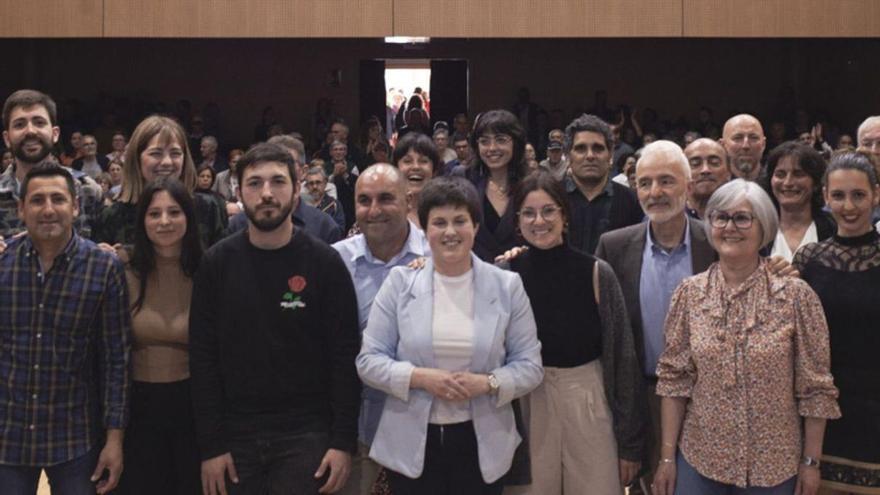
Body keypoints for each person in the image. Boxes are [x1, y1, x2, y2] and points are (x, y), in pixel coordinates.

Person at [190, 142, 361, 495]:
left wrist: (342, 441)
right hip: (234, 434)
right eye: (254, 183)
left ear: (297, 189)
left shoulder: (325, 263)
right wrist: (211, 446)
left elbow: (345, 357)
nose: (266, 193)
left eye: (278, 182)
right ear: (238, 191)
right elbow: (203, 359)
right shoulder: (217, 264)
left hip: (307, 433)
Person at [357, 176, 543, 494]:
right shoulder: (400, 283)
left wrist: (488, 383)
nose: (450, 232)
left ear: (475, 226)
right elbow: (368, 361)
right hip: (411, 441)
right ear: (425, 230)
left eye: (460, 221)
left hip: (484, 441)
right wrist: (419, 377)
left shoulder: (507, 286)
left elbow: (530, 366)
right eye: (439, 222)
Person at [652, 179, 840, 495]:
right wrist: (668, 458)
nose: (730, 227)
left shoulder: (796, 297)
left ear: (763, 226)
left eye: (742, 218)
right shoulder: (688, 295)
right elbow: (674, 381)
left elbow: (815, 388)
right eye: (720, 217)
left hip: (773, 466)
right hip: (701, 459)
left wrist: (811, 462)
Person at [503, 172, 644, 495]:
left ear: (564, 215)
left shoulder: (596, 272)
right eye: (528, 212)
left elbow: (622, 357)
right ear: (517, 221)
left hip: (588, 395)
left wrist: (629, 444)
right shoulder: (505, 275)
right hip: (528, 400)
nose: (539, 221)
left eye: (549, 210)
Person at [0, 162, 131, 495]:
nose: (47, 210)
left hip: (74, 439)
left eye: (57, 199)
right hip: (7, 435)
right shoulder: (3, 264)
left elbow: (117, 360)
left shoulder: (104, 268)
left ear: (75, 206)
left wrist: (114, 440)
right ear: (21, 208)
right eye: (37, 200)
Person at [596, 141, 718, 495]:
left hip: (704, 402)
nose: (655, 192)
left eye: (666, 181)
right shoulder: (613, 247)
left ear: (689, 186)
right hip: (640, 400)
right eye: (645, 183)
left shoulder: (716, 243)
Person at [332, 164, 430, 495]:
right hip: (355, 428)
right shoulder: (334, 261)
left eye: (386, 198)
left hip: (425, 429)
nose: (373, 210)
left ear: (408, 200)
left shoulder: (440, 256)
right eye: (364, 200)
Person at [792, 152, 880, 495]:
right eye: (839, 195)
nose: (849, 206)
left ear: (876, 195)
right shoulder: (808, 259)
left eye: (858, 195)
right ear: (825, 197)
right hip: (822, 417)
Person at [114, 177, 202, 494]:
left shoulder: (208, 270)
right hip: (137, 408)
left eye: (174, 212)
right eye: (154, 214)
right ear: (143, 221)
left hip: (192, 408)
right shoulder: (122, 268)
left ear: (188, 218)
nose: (164, 221)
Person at [93, 115, 226, 252]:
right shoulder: (112, 216)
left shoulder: (208, 208)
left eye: (175, 153)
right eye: (156, 153)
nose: (167, 162)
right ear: (137, 159)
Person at [1, 89, 102, 240]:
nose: (30, 131)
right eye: (20, 124)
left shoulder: (87, 190)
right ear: (7, 138)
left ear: (55, 134)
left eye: (39, 123)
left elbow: (105, 251)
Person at [564, 113, 643, 255]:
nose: (590, 156)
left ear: (610, 156)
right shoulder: (551, 197)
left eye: (598, 148)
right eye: (581, 148)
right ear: (569, 157)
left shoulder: (632, 201)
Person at [457, 109, 527, 261]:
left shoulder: (531, 183)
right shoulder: (463, 178)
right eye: (484, 141)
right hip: (472, 274)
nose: (492, 148)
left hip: (519, 273)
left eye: (501, 140)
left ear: (516, 143)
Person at [761, 141, 834, 261]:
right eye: (780, 174)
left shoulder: (833, 227)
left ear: (816, 183)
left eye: (798, 174)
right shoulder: (759, 229)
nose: (788, 182)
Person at [392, 132, 439, 228]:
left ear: (434, 170)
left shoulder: (445, 210)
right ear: (396, 168)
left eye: (423, 161)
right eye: (407, 161)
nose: (416, 167)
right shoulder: (382, 211)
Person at [684, 138, 731, 219]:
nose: (705, 170)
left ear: (728, 172)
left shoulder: (742, 213)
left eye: (714, 163)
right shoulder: (671, 219)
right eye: (695, 164)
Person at [720, 114, 767, 181]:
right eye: (737, 138)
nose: (746, 146)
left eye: (753, 138)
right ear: (722, 145)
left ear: (763, 144)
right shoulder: (714, 187)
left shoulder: (776, 186)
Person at [305, 166, 346, 231]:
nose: (314, 186)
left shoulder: (334, 205)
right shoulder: (301, 205)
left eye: (318, 182)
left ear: (325, 183)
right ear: (307, 186)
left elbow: (339, 231)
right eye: (311, 183)